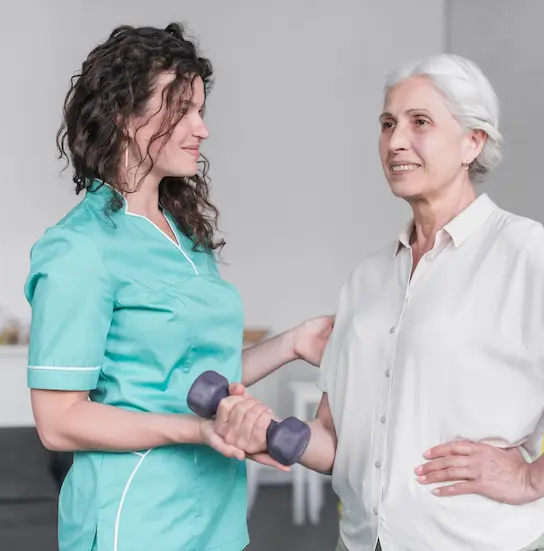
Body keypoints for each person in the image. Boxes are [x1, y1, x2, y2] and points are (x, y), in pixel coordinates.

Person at [213, 53, 544, 551]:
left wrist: (533, 479)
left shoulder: (519, 250)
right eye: (388, 123)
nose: (395, 141)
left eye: (420, 123)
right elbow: (339, 445)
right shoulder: (368, 279)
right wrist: (272, 432)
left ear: (472, 142)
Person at [24, 23, 334, 551]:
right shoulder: (80, 248)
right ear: (125, 115)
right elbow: (58, 421)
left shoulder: (183, 235)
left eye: (201, 111)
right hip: (136, 512)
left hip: (214, 505)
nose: (201, 129)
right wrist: (196, 431)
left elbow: (191, 374)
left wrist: (292, 344)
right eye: (182, 109)